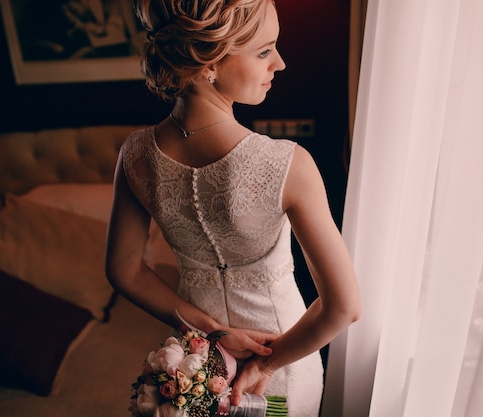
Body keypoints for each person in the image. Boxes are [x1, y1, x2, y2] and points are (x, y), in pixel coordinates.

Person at [105, 0, 361, 415]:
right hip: (279, 363)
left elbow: (124, 271)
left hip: (197, 362)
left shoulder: (135, 155)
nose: (279, 63)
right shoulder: (287, 164)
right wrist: (266, 361)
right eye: (263, 51)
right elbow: (344, 306)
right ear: (208, 64)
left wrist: (215, 334)